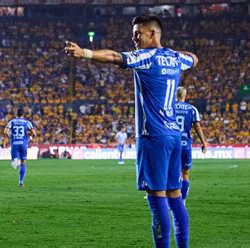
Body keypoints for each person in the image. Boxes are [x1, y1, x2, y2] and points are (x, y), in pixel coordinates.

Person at [65, 15, 198, 248]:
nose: (133, 38)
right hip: (174, 136)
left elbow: (115, 57)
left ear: (152, 34)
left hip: (153, 136)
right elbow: (194, 59)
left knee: (157, 200)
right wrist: (168, 50)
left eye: (138, 33)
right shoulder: (176, 59)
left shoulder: (146, 57)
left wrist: (84, 53)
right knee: (175, 197)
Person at [174, 87, 208, 204]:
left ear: (175, 95)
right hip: (185, 145)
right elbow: (197, 126)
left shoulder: (169, 108)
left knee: (172, 172)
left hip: (171, 144)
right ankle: (182, 201)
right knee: (185, 174)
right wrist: (203, 142)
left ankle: (171, 199)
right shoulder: (192, 109)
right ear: (185, 95)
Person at [4, 108, 37, 187]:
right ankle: (21, 182)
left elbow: (5, 132)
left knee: (14, 161)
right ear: (23, 114)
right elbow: (34, 133)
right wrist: (31, 138)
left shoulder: (12, 122)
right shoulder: (27, 122)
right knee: (23, 163)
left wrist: (11, 137)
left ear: (16, 114)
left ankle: (15, 161)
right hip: (23, 144)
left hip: (14, 143)